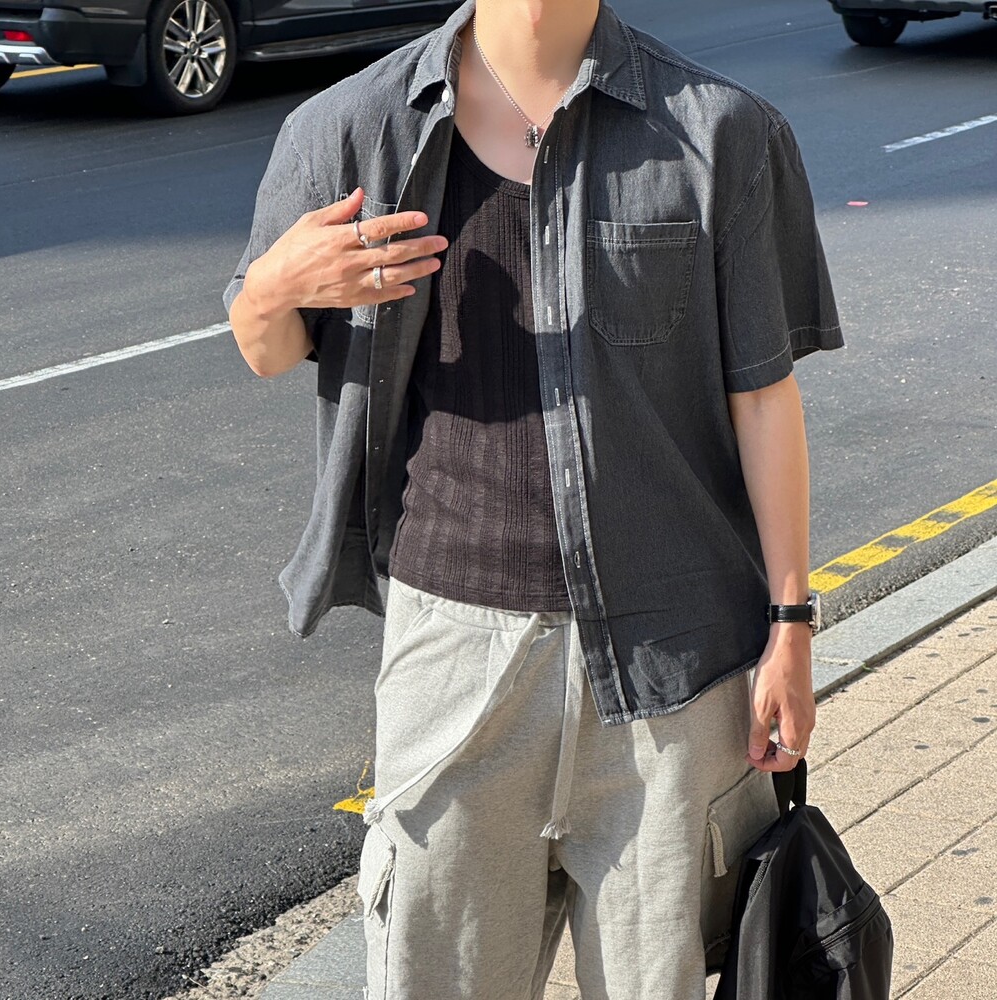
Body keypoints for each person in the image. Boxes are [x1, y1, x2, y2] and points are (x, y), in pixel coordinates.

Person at [224, 1, 843, 996]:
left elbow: (763, 395)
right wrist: (270, 287)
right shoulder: (351, 128)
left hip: (675, 667)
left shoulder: (719, 130)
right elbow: (266, 347)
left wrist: (792, 625)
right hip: (453, 656)